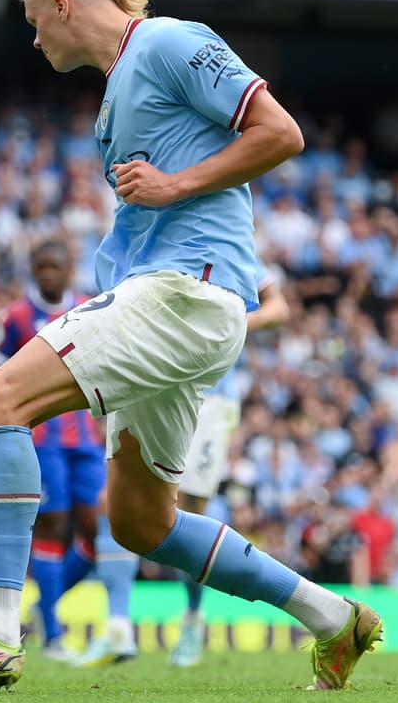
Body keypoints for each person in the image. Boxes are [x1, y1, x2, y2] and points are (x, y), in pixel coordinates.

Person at [0, 0, 380, 691]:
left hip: (185, 294)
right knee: (140, 524)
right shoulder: (118, 90)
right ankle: (331, 616)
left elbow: (282, 133)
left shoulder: (168, 39)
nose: (32, 40)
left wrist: (174, 183)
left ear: (61, 5)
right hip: (171, 300)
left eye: (32, 20)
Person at [74, 268, 289, 668]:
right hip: (147, 382)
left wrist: (226, 324)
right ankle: (118, 627)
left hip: (210, 398)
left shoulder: (226, 246)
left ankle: (191, 618)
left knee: (185, 511)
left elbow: (279, 309)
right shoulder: (143, 244)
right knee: (112, 499)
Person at [0, 239, 101, 660]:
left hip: (85, 437)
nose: (48, 273)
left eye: (55, 266)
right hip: (41, 438)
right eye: (41, 266)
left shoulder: (89, 307)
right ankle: (53, 635)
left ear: (69, 269)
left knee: (101, 532)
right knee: (51, 528)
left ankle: (45, 605)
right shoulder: (14, 317)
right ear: (32, 269)